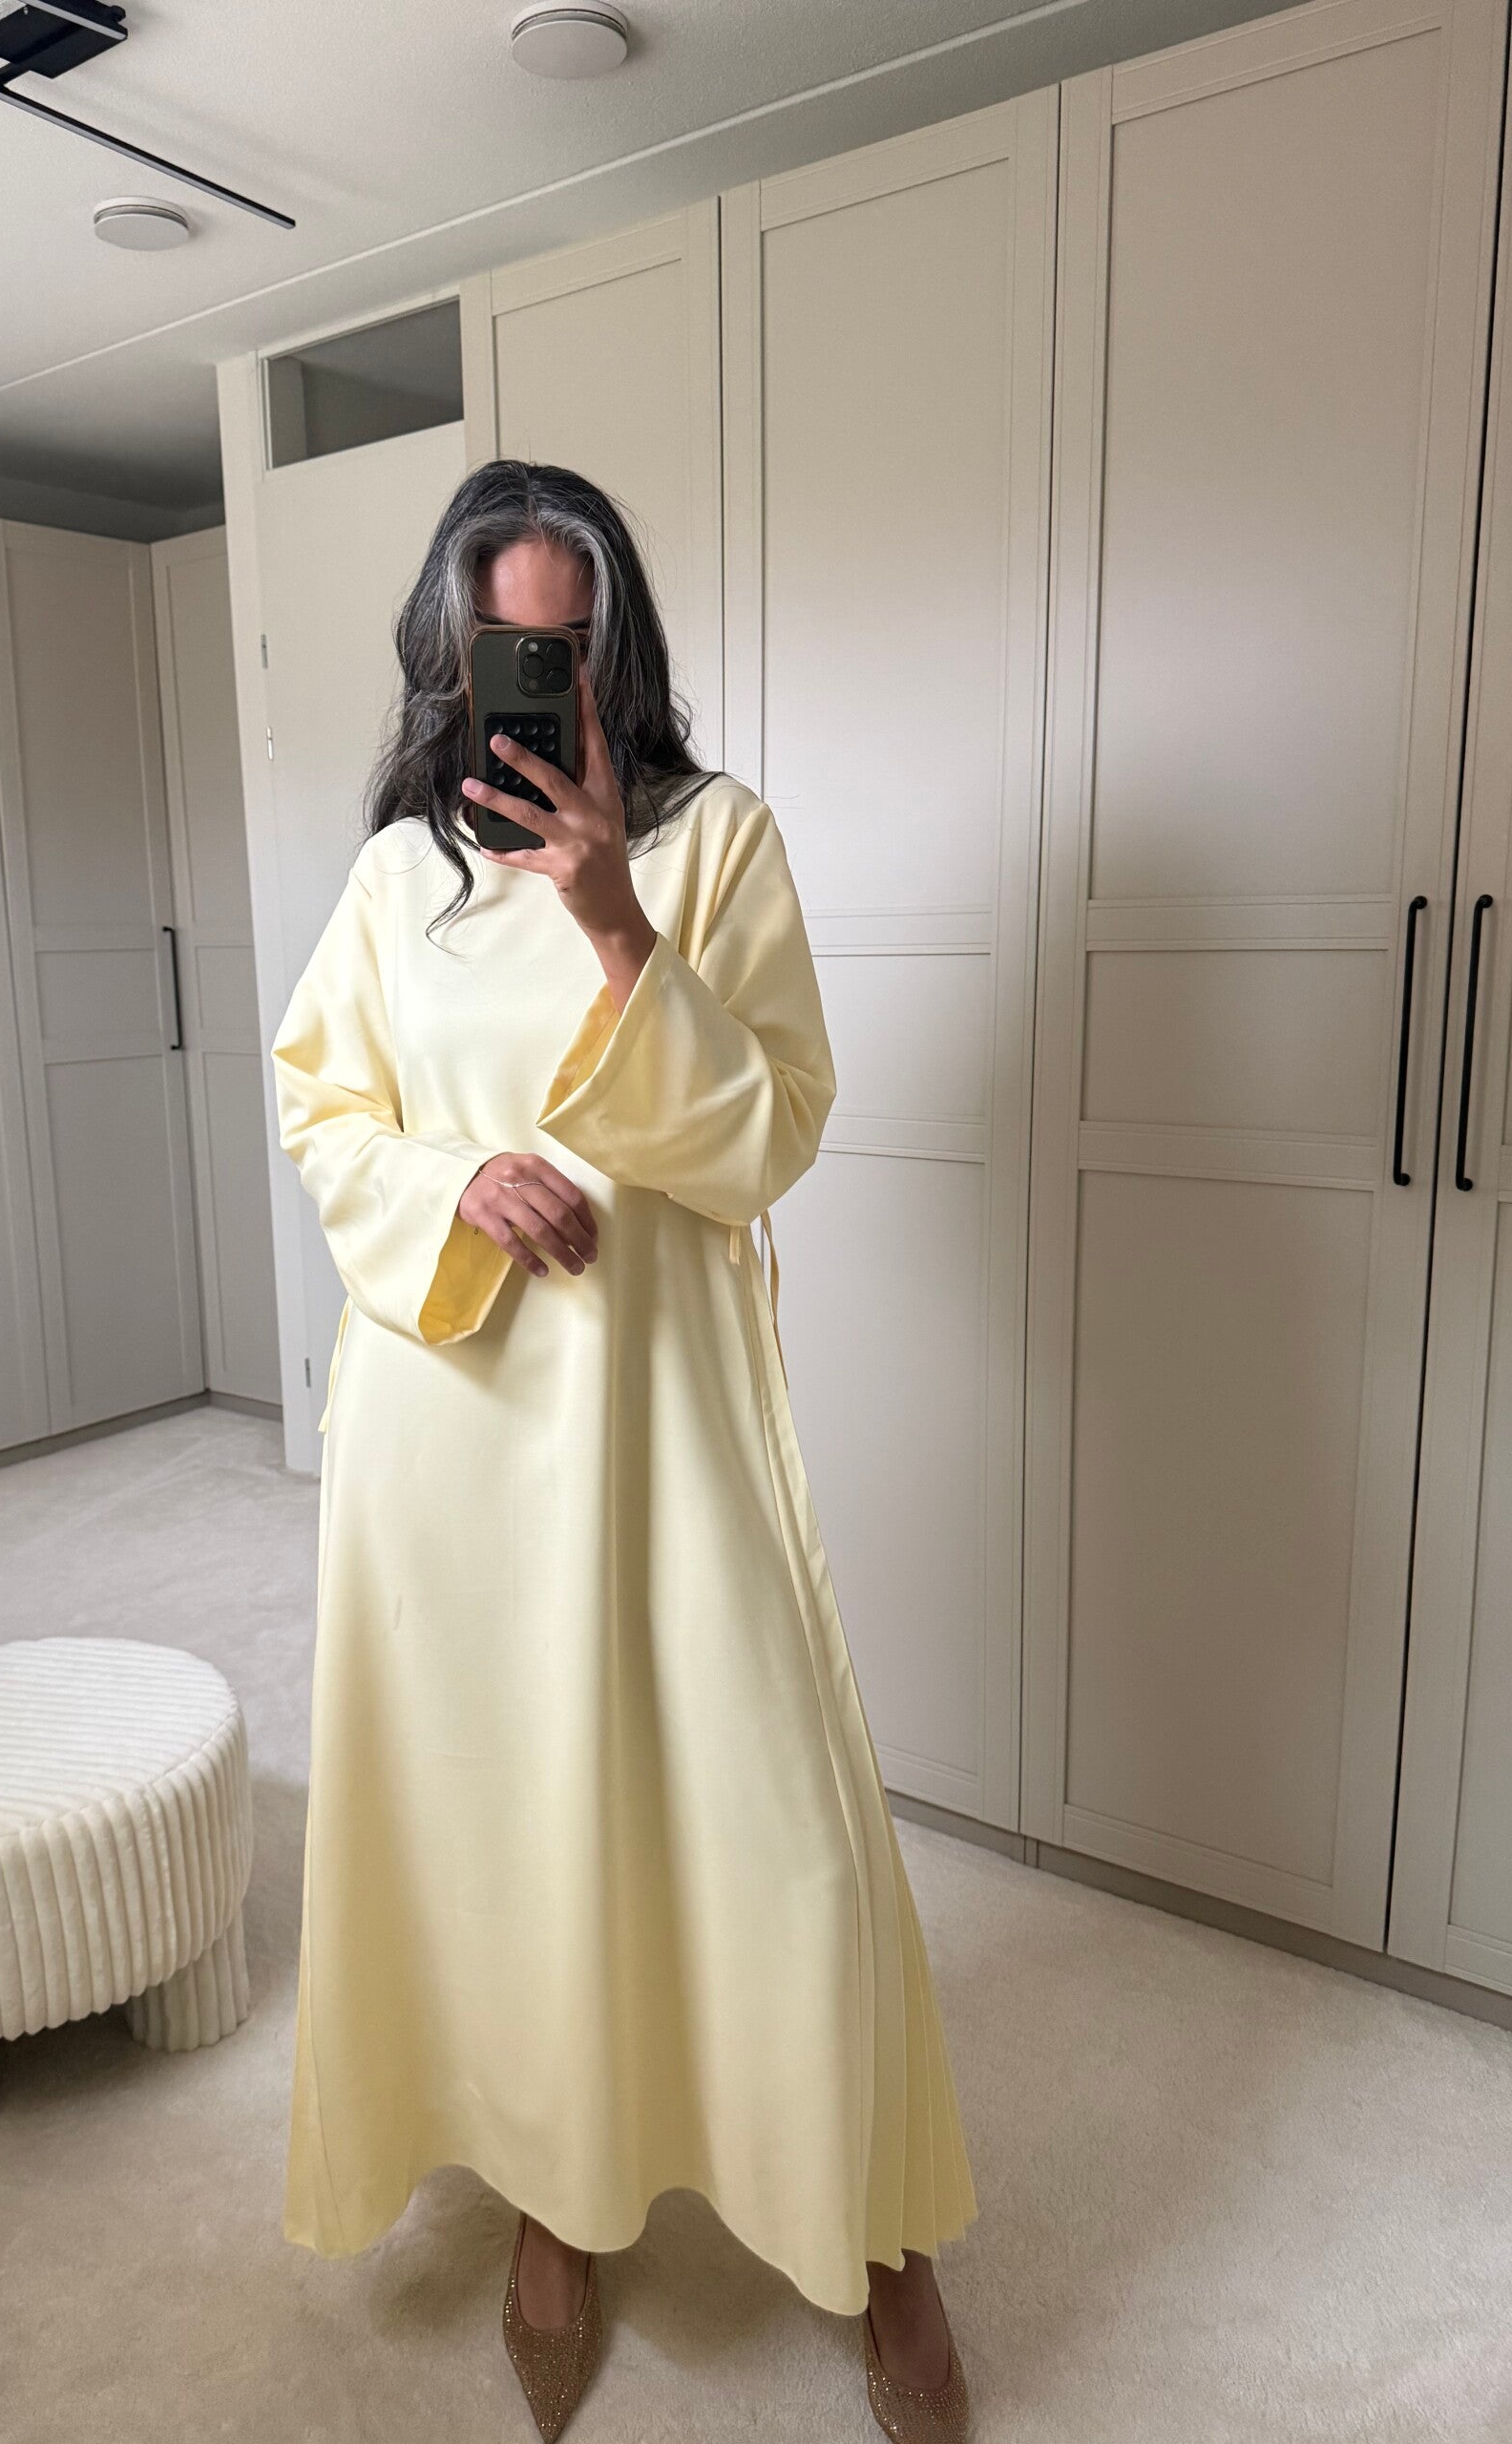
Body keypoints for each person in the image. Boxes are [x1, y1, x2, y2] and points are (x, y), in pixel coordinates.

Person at [271, 458, 979, 2442]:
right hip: (450, 1428)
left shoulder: (714, 842)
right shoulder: (395, 877)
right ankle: (553, 2192)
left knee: (773, 1824)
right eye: (507, 648)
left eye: (570, 648)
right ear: (450, 656)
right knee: (502, 1820)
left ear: (616, 651)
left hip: (662, 1415)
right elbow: (324, 1106)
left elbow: (769, 1134)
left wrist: (614, 923)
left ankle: (877, 2221)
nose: (541, 684)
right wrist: (451, 1179)